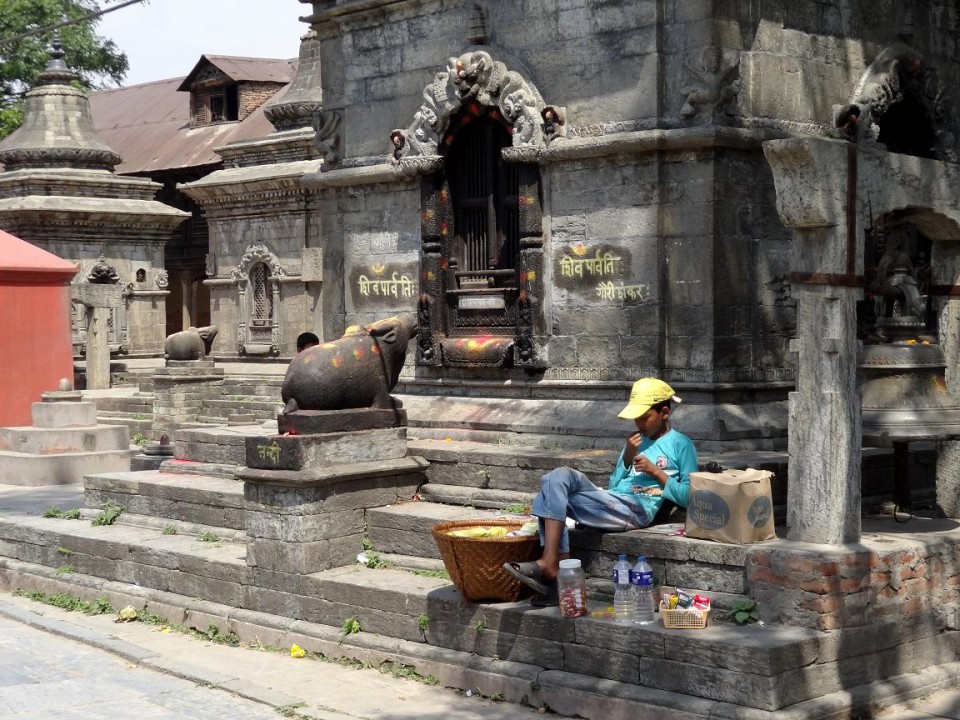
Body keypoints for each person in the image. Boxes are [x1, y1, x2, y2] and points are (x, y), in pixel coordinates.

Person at [502, 378, 698, 605]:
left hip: (636, 509)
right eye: (636, 417)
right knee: (556, 477)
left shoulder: (681, 444)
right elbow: (615, 485)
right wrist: (627, 457)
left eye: (645, 417)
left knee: (549, 494)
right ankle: (552, 568)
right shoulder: (635, 441)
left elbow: (689, 497)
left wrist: (657, 473)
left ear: (664, 412)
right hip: (612, 499)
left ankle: (553, 571)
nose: (639, 423)